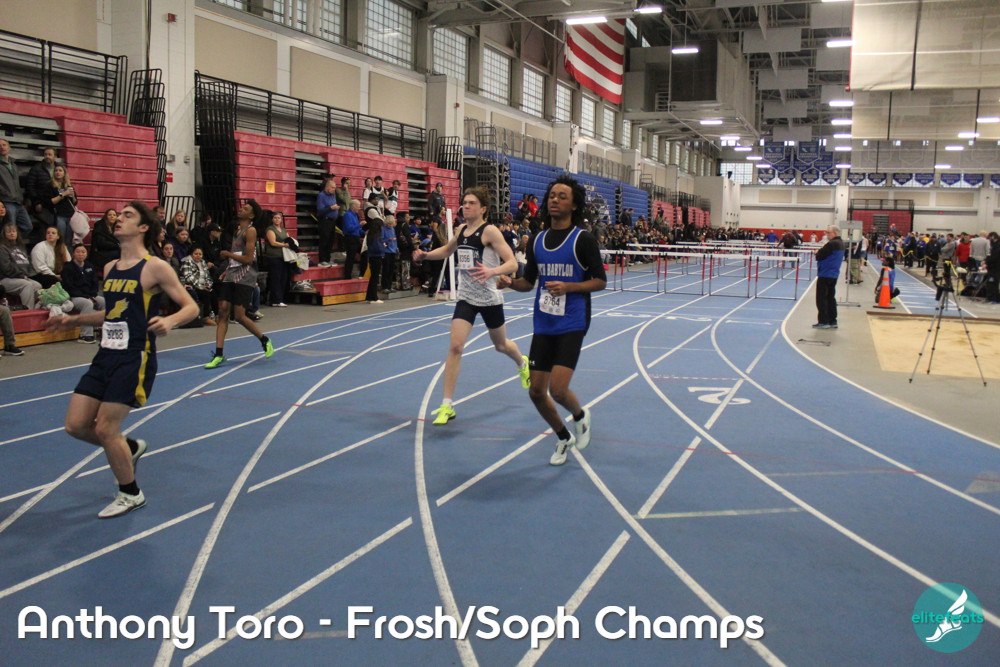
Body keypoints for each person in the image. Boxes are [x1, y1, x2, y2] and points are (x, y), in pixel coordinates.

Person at [47, 201, 198, 518]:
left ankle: (131, 493)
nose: (119, 219)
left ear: (143, 227)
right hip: (105, 355)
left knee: (105, 429)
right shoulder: (110, 268)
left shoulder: (155, 267)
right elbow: (112, 313)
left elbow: (191, 307)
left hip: (134, 357)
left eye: (128, 216)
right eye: (119, 215)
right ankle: (128, 448)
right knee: (75, 426)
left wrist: (170, 321)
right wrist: (74, 320)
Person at [498, 176, 606, 465]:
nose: (555, 199)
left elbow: (600, 281)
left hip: (572, 321)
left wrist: (569, 286)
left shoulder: (582, 240)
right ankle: (562, 436)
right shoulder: (537, 240)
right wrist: (510, 283)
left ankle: (580, 416)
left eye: (562, 196)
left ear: (574, 205)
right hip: (544, 322)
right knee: (536, 391)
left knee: (557, 390)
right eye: (552, 195)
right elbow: (529, 283)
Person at [413, 186, 531, 425]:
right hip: (466, 296)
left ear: (483, 208)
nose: (465, 206)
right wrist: (425, 255)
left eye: (471, 203)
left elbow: (512, 263)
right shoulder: (460, 230)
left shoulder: (490, 232)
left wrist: (492, 271)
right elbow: (447, 250)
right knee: (456, 346)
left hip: (489, 297)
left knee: (501, 345)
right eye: (464, 202)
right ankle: (447, 405)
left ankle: (522, 362)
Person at [205, 207, 274, 368]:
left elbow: (248, 259)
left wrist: (227, 254)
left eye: (246, 209)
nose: (241, 209)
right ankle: (219, 354)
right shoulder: (237, 231)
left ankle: (264, 340)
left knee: (239, 316)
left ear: (251, 215)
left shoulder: (250, 231)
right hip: (232, 274)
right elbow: (236, 256)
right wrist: (227, 270)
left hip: (245, 276)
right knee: (223, 311)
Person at [61, 243, 105, 343]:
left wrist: (92, 295)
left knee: (103, 301)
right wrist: (87, 297)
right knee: (87, 304)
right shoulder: (68, 267)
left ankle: (103, 330)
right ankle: (85, 335)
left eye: (83, 252)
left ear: (86, 254)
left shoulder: (89, 266)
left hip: (89, 295)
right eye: (78, 252)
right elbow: (69, 287)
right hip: (74, 296)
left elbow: (95, 283)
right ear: (73, 254)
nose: (80, 254)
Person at [0, 221, 44, 308]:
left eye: (14, 231)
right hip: (5, 278)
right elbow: (6, 267)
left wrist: (30, 275)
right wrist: (21, 276)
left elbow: (28, 263)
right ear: (4, 234)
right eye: (9, 232)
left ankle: (36, 309)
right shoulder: (2, 248)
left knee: (38, 286)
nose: (12, 233)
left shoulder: (20, 246)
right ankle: (28, 311)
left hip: (20, 277)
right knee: (27, 285)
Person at [813, 225, 844, 329]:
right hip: (834, 274)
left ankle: (823, 321)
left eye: (828, 232)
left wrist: (817, 252)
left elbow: (819, 256)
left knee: (822, 298)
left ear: (835, 233)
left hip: (825, 273)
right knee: (831, 297)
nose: (826, 234)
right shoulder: (841, 243)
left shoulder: (831, 244)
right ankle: (832, 320)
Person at [0, 139, 32, 235]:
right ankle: (7, 243)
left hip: (18, 201)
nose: (2, 147)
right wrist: (5, 194)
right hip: (6, 201)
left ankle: (14, 241)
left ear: (9, 147)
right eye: (0, 145)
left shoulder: (13, 165)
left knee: (27, 226)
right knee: (10, 228)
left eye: (4, 145)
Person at [263, 210, 292, 306]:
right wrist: (284, 245)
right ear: (272, 219)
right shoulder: (270, 229)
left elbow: (288, 239)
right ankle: (276, 300)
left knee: (283, 278)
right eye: (275, 218)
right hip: (274, 256)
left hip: (283, 256)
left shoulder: (283, 229)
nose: (277, 219)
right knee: (276, 278)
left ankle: (280, 299)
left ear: (281, 219)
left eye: (279, 218)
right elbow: (273, 242)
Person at [362, 192, 385, 303]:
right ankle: (374, 297)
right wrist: (383, 250)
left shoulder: (373, 235)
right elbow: (377, 248)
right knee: (375, 276)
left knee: (374, 277)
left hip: (374, 255)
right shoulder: (375, 236)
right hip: (376, 256)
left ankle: (370, 296)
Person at [316, 177, 339, 267]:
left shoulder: (333, 195)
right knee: (324, 240)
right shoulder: (321, 195)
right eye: (332, 188)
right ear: (327, 187)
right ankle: (322, 259)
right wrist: (331, 208)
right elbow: (320, 210)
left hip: (332, 221)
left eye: (335, 188)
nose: (334, 189)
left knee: (330, 240)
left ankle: (328, 259)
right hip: (325, 220)